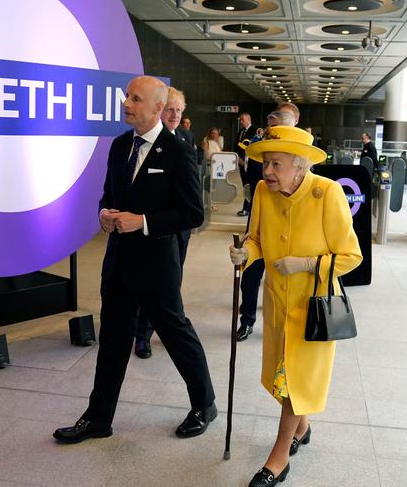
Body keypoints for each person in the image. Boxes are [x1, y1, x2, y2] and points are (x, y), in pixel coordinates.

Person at [53, 76, 216, 444]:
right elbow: (108, 195)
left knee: (176, 336)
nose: (127, 103)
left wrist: (142, 222)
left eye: (136, 98)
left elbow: (192, 213)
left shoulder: (176, 152)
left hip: (158, 266)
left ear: (158, 108)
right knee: (112, 341)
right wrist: (103, 215)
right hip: (119, 264)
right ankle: (98, 418)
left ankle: (204, 405)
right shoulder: (119, 146)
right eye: (127, 96)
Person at [229, 125, 362, 486]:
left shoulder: (327, 193)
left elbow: (351, 255)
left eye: (275, 164)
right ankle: (301, 428)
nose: (267, 172)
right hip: (276, 303)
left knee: (291, 382)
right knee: (281, 380)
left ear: (300, 167)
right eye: (265, 163)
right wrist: (245, 253)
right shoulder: (261, 190)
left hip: (312, 309)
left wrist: (306, 264)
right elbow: (255, 238)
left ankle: (279, 456)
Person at [134, 87, 195, 359]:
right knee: (149, 284)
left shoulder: (184, 140)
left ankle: (167, 329)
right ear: (159, 110)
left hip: (178, 231)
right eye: (170, 109)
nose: (174, 115)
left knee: (171, 283)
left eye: (179, 111)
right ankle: (143, 334)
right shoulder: (143, 143)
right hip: (150, 231)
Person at [236, 108, 297, 342]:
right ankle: (247, 320)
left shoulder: (301, 160)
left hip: (292, 233)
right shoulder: (261, 153)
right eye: (269, 130)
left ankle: (287, 325)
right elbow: (254, 180)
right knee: (251, 275)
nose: (270, 135)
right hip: (261, 224)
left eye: (277, 130)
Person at [235, 113, 259, 217]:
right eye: (240, 120)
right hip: (241, 162)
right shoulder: (241, 131)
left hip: (249, 162)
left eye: (242, 120)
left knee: (249, 185)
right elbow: (237, 145)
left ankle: (247, 208)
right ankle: (246, 207)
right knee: (245, 185)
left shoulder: (255, 131)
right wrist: (238, 158)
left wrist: (245, 159)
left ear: (249, 120)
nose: (241, 122)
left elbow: (253, 146)